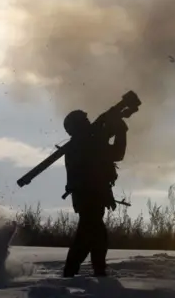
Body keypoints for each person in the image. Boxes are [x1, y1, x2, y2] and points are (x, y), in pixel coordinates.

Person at [61, 109, 127, 278]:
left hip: (89, 197)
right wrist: (120, 131)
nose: (88, 123)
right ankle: (77, 272)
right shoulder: (86, 144)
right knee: (90, 235)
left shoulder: (83, 144)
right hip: (90, 197)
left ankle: (94, 271)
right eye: (84, 121)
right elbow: (117, 154)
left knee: (93, 235)